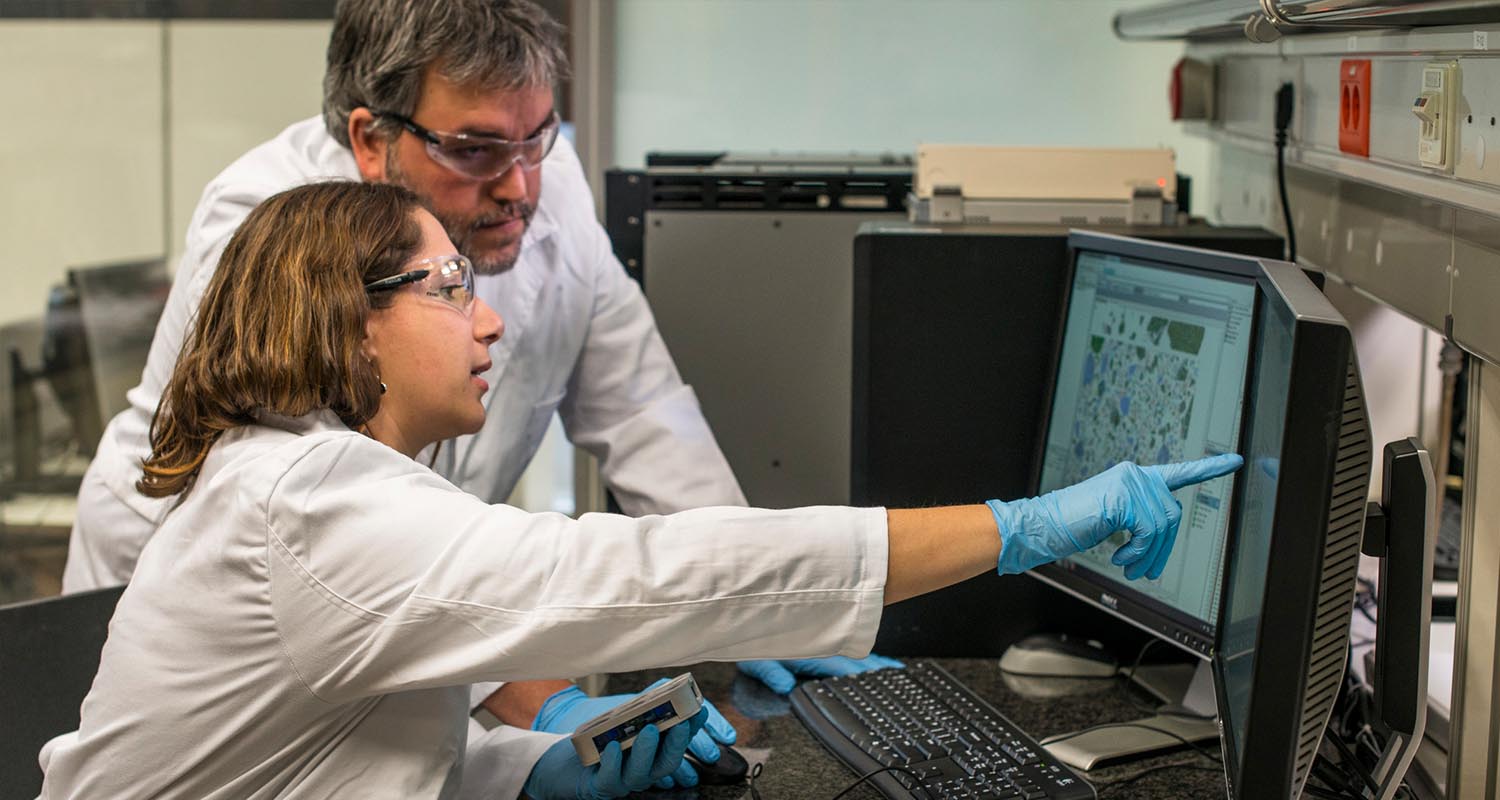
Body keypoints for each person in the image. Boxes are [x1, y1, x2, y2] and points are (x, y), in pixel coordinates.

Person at [40, 180, 1239, 800]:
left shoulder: (315, 487)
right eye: (449, 284)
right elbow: (623, 574)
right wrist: (1016, 528)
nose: (490, 313)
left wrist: (526, 769)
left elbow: (337, 766)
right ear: (350, 323)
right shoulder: (305, 501)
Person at [59, 0, 893, 783]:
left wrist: (758, 602)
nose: (521, 186)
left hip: (396, 615)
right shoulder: (277, 233)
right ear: (371, 138)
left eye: (538, 139)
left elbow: (641, 409)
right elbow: (352, 557)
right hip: (206, 639)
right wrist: (542, 694)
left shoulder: (544, 189)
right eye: (478, 149)